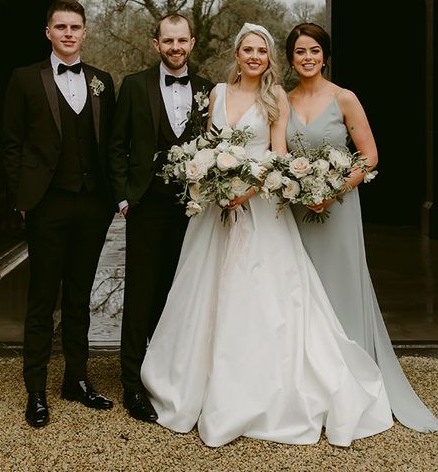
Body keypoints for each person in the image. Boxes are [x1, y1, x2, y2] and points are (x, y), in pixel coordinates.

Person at [140, 23, 393, 447]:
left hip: (258, 209)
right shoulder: (218, 93)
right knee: (204, 291)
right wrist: (211, 181)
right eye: (247, 50)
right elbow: (208, 144)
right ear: (237, 55)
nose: (254, 56)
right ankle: (193, 384)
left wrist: (247, 190)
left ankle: (255, 391)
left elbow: (278, 154)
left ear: (270, 59)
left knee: (261, 295)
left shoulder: (275, 97)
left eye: (262, 51)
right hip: (216, 212)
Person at [285, 22, 438, 433]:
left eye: (314, 51)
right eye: (300, 51)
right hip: (297, 211)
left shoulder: (344, 98)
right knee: (300, 291)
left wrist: (332, 187)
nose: (308, 58)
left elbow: (369, 156)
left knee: (339, 286)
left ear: (325, 56)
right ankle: (307, 386)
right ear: (290, 58)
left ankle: (352, 386)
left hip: (338, 208)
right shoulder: (282, 101)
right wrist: (296, 186)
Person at [1, 0, 116, 428]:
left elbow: (110, 145)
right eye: (60, 27)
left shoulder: (103, 80)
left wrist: (112, 199)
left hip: (91, 204)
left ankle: (76, 380)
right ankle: (35, 390)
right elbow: (10, 143)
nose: (69, 34)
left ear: (85, 33)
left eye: (75, 27)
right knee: (42, 297)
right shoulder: (25, 78)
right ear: (48, 32)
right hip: (46, 202)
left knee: (80, 295)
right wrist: (22, 198)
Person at [108, 12, 214, 422]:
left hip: (193, 209)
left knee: (181, 293)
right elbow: (115, 147)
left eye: (181, 40)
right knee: (140, 292)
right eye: (167, 41)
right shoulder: (134, 86)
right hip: (146, 205)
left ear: (192, 42)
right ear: (156, 44)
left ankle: (171, 377)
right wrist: (122, 199)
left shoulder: (208, 90)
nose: (175, 47)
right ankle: (132, 384)